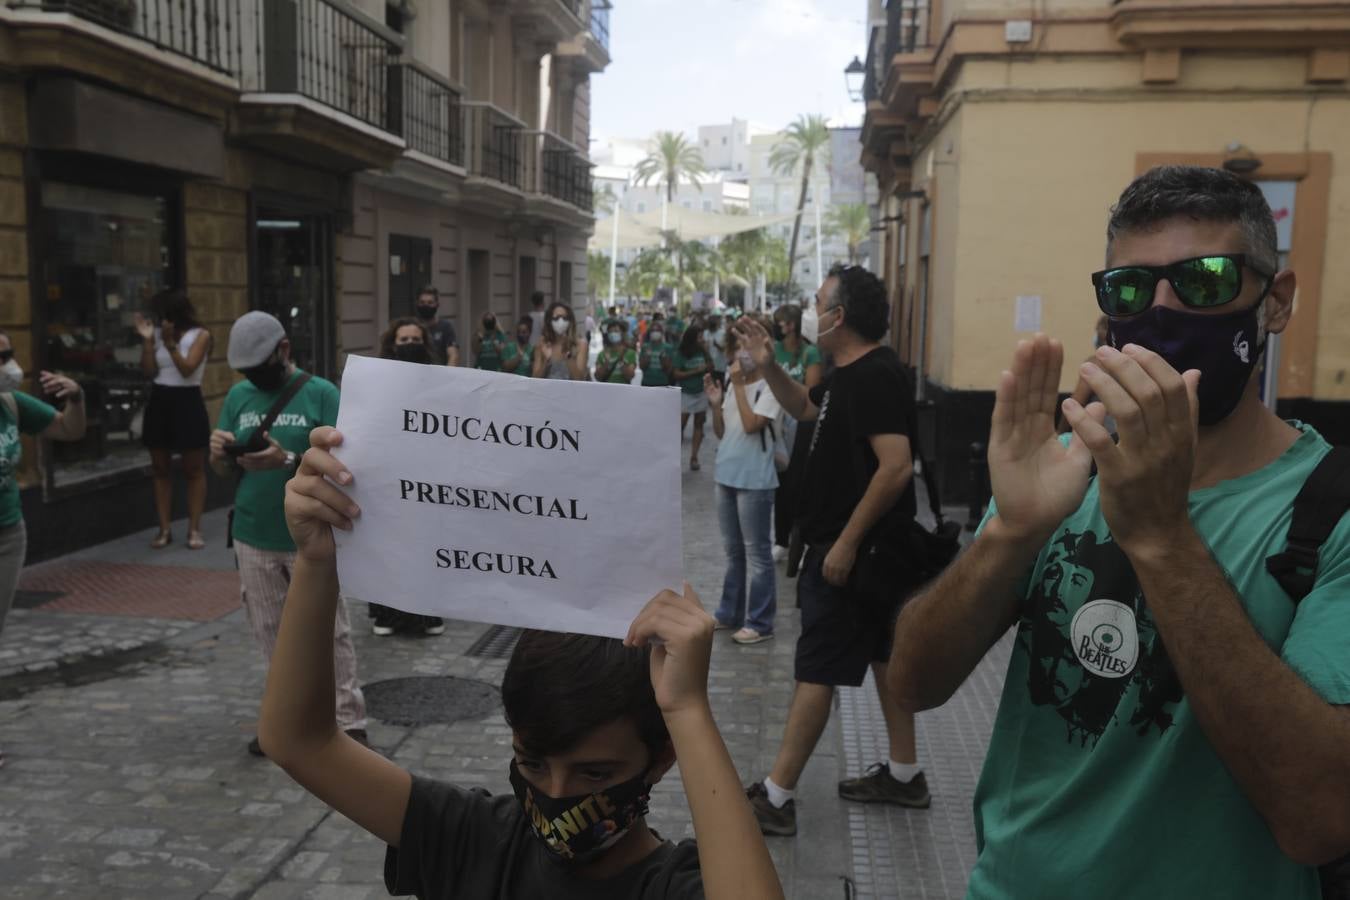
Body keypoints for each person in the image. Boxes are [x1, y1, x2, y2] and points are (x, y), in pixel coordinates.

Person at [891, 166, 1350, 899]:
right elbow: (913, 683)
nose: (1163, 311)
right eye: (1131, 289)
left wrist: (1161, 537)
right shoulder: (1070, 469)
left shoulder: (1334, 512)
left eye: (1204, 281)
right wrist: (1011, 532)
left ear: (1276, 302)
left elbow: (1320, 816)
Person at [257, 424, 786, 900]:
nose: (556, 794)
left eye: (595, 772)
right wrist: (316, 562)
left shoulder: (670, 885)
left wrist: (688, 708)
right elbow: (300, 742)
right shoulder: (473, 838)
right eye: (532, 762)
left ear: (663, 757)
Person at [733, 264, 925, 837]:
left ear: (839, 317)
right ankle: (904, 774)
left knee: (816, 668)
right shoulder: (848, 376)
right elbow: (804, 409)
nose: (812, 310)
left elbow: (895, 469)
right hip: (859, 553)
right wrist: (768, 363)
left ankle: (777, 795)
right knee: (883, 658)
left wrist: (842, 545)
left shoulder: (873, 377)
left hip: (851, 557)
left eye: (819, 302)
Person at [208, 311, 367, 756]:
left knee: (330, 632)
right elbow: (221, 470)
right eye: (248, 371)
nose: (255, 377)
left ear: (284, 350)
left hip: (312, 538)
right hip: (252, 533)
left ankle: (349, 722)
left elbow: (347, 471)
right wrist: (219, 451)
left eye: (261, 366)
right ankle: (285, 720)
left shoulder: (321, 394)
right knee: (271, 632)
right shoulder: (239, 395)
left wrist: (284, 459)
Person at [0, 335, 85, 769]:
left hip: (8, 533)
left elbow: (70, 430)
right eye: (0, 358)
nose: (10, 364)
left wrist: (77, 398)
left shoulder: (11, 404)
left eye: (9, 353)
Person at [705, 328, 783, 645]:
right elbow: (723, 431)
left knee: (758, 554)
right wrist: (714, 403)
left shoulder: (772, 386)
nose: (742, 354)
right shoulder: (733, 382)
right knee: (733, 551)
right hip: (726, 474)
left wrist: (736, 385)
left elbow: (753, 425)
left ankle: (760, 621)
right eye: (738, 347)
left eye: (748, 347)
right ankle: (729, 612)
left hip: (755, 479)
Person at [368, 318, 445, 638]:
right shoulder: (374, 380)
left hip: (427, 473)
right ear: (392, 344)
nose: (409, 344)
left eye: (415, 339)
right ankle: (386, 613)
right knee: (388, 547)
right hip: (388, 476)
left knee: (426, 546)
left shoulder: (440, 381)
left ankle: (428, 614)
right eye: (403, 339)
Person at [134, 289, 213, 550]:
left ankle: (195, 529)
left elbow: (188, 369)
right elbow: (147, 371)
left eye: (161, 314)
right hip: (160, 399)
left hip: (188, 400)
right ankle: (164, 529)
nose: (159, 319)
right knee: (160, 467)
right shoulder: (156, 334)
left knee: (193, 468)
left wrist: (170, 344)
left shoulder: (200, 335)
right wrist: (148, 341)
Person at [770, 304, 825, 563]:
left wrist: (785, 389)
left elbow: (812, 393)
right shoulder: (775, 350)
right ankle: (781, 539)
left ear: (790, 325)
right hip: (774, 423)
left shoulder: (810, 353)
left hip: (800, 425)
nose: (776, 326)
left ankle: (800, 542)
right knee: (780, 485)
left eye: (779, 322)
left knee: (801, 484)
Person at [673, 326, 712, 472]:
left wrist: (706, 352)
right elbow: (676, 374)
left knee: (699, 424)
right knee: (679, 427)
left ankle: (694, 457)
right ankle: (675, 458)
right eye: (699, 336)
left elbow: (710, 366)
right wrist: (695, 371)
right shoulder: (681, 353)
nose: (702, 339)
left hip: (700, 392)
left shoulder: (702, 351)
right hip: (685, 393)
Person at [532, 303, 589, 380]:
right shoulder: (542, 344)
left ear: (570, 321)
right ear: (549, 321)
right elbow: (535, 378)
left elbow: (580, 379)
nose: (560, 321)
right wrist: (546, 360)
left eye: (564, 318)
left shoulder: (581, 345)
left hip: (570, 391)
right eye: (556, 318)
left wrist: (568, 356)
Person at [414, 286, 459, 367]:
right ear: (417, 304)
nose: (426, 306)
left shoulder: (445, 327)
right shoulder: (412, 327)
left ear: (437, 304)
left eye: (430, 303)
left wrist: (448, 374)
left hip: (439, 375)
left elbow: (453, 355)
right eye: (422, 302)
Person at [595, 319, 638, 385]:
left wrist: (621, 362)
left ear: (622, 334)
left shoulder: (630, 353)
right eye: (610, 332)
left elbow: (630, 376)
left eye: (616, 331)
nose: (613, 334)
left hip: (624, 392)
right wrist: (606, 363)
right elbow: (598, 377)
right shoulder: (602, 354)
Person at [640, 320, 676, 388]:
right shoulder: (645, 347)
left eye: (657, 330)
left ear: (662, 333)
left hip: (662, 383)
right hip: (646, 382)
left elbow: (669, 371)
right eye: (653, 330)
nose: (655, 332)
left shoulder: (668, 348)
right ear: (650, 333)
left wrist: (664, 359)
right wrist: (647, 357)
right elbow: (642, 367)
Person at [704, 315, 727, 386]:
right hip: (709, 366)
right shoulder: (705, 332)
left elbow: (725, 349)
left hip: (721, 366)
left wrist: (716, 345)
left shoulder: (722, 333)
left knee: (720, 385)